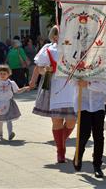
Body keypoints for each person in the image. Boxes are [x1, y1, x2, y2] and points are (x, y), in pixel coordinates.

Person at [30, 26, 76, 163]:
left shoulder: (75, 49)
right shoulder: (48, 49)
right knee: (57, 121)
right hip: (53, 87)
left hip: (71, 88)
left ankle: (61, 142)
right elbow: (40, 69)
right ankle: (60, 151)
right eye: (58, 34)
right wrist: (46, 70)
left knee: (71, 121)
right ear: (54, 36)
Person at [72, 79, 106, 178]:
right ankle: (78, 155)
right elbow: (71, 81)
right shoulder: (78, 65)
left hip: (98, 104)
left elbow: (104, 86)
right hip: (83, 104)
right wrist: (77, 81)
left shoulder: (102, 65)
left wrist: (88, 84)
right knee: (84, 134)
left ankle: (97, 165)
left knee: (99, 136)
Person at [0, 64, 30, 140]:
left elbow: (17, 91)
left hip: (9, 103)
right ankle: (0, 134)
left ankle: (10, 133)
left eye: (4, 73)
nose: (2, 75)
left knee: (8, 119)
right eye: (1, 73)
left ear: (9, 74)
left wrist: (24, 88)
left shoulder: (11, 83)